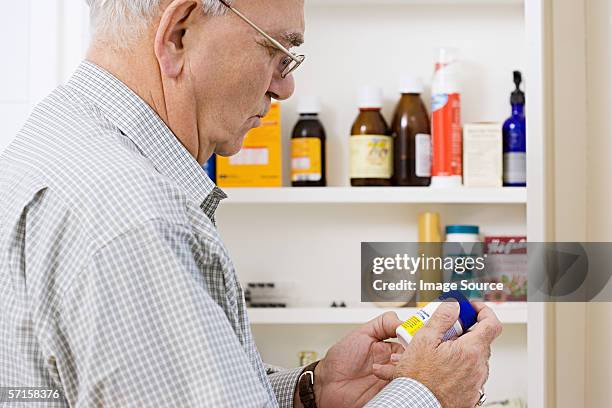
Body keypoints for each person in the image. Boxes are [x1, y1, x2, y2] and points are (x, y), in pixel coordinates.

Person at [0, 0, 502, 406]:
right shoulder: (133, 216)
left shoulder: (59, 142)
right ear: (179, 32)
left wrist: (309, 391)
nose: (286, 86)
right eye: (277, 51)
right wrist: (427, 394)